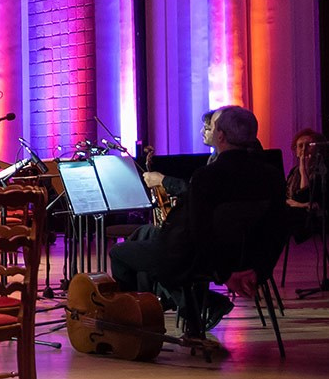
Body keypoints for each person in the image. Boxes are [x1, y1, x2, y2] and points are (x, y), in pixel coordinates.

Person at [110, 104, 290, 349]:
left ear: (221, 136)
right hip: (242, 259)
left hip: (192, 259)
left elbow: (199, 234)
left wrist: (225, 275)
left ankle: (133, 330)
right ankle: (187, 315)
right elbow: (278, 228)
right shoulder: (270, 175)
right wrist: (257, 269)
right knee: (144, 241)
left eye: (212, 125)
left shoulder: (209, 176)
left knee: (120, 253)